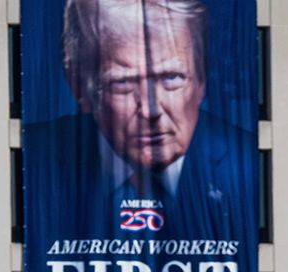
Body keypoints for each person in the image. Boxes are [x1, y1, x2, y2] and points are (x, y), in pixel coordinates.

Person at [27, 0, 251, 239]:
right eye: (122, 82)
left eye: (171, 77)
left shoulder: (250, 164)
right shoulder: (32, 162)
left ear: (201, 81)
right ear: (79, 88)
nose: (150, 110)